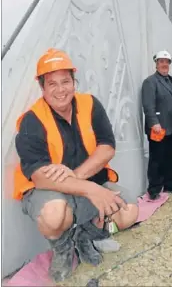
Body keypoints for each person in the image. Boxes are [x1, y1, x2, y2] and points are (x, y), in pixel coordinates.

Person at [14, 48, 139, 282]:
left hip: (84, 184)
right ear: (42, 88)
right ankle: (62, 248)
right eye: (52, 84)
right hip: (49, 193)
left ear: (74, 82)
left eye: (66, 81)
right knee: (53, 216)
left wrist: (78, 176)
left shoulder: (90, 104)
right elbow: (40, 176)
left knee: (129, 212)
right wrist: (91, 189)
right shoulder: (32, 120)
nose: (61, 90)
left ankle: (85, 234)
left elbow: (107, 146)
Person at [141, 50, 172, 200]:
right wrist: (154, 123)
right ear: (156, 64)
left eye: (166, 62)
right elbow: (148, 106)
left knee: (169, 157)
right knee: (156, 159)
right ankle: (154, 189)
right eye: (161, 61)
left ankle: (170, 184)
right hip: (158, 128)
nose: (164, 64)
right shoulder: (150, 82)